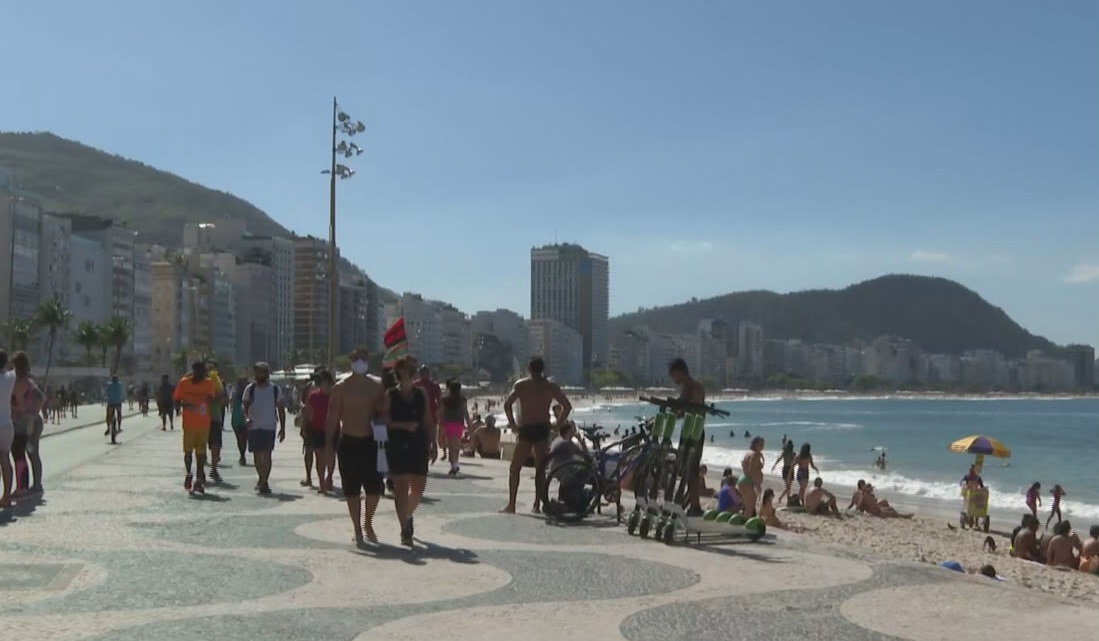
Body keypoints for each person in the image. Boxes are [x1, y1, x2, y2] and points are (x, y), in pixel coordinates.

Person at [328, 348, 387, 544]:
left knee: (374, 489)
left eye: (363, 358)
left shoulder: (377, 386)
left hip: (372, 442)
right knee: (351, 489)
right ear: (350, 361)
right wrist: (329, 443)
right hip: (349, 442)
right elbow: (333, 417)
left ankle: (368, 522)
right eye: (356, 359)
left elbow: (385, 412)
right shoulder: (341, 387)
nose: (359, 361)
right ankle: (357, 528)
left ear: (368, 361)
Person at [501, 355, 572, 515]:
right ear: (543, 369)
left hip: (526, 428)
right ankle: (536, 505)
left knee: (515, 468)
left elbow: (507, 405)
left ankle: (512, 505)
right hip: (542, 428)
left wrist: (513, 424)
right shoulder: (550, 386)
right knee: (540, 469)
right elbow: (567, 406)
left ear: (528, 368)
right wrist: (557, 425)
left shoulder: (521, 385)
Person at [385, 356, 438, 546]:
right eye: (403, 370)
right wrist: (404, 425)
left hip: (418, 442)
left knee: (418, 487)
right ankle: (404, 530)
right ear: (398, 373)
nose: (406, 373)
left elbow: (428, 419)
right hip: (397, 443)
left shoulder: (421, 393)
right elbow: (385, 422)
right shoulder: (390, 394)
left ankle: (407, 515)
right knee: (401, 487)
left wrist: (434, 442)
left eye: (410, 370)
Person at [667, 357, 706, 515]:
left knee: (693, 470)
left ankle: (695, 505)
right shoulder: (685, 387)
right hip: (686, 431)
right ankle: (683, 501)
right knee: (684, 468)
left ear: (680, 372)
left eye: (673, 375)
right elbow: (681, 411)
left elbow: (693, 409)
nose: (673, 378)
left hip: (695, 432)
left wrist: (679, 410)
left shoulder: (695, 387)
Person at [242, 362, 286, 495]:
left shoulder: (275, 390)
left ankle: (264, 481)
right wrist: (246, 418)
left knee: (266, 455)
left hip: (269, 426)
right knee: (257, 456)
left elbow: (281, 409)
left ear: (266, 373)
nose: (258, 374)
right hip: (254, 426)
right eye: (256, 372)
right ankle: (261, 478)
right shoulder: (250, 389)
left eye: (261, 372)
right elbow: (244, 406)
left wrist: (282, 428)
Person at [173, 361, 217, 495]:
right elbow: (176, 399)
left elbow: (212, 398)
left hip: (204, 424)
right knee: (188, 452)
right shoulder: (184, 383)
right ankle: (189, 474)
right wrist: (185, 406)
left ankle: (198, 478)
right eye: (198, 370)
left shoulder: (209, 383)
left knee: (201, 453)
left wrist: (208, 401)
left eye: (202, 371)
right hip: (189, 425)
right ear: (193, 370)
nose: (200, 373)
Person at [11, 352, 44, 496]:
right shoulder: (30, 382)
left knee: (24, 454)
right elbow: (42, 398)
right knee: (31, 453)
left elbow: (20, 404)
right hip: (33, 421)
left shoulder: (20, 382)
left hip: (27, 423)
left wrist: (18, 410)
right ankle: (35, 485)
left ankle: (28, 486)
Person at [302, 371, 334, 493]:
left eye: (328, 383)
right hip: (317, 429)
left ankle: (329, 477)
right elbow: (308, 413)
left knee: (330, 456)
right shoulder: (314, 396)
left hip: (333, 429)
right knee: (320, 457)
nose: (325, 386)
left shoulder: (335, 395)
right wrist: (304, 427)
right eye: (323, 383)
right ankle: (321, 482)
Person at [438, 379, 471, 476]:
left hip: (448, 423)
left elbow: (441, 413)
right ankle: (455, 463)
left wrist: (440, 424)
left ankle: (453, 464)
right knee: (456, 445)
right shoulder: (462, 399)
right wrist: (469, 425)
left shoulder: (444, 399)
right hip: (459, 424)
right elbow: (466, 413)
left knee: (451, 445)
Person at [413, 364, 442, 460]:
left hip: (418, 415)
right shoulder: (434, 386)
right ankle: (427, 456)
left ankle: (423, 456)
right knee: (430, 438)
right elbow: (439, 402)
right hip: (431, 416)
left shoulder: (415, 385)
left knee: (419, 437)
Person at [206, 363, 227, 483]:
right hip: (205, 418)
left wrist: (216, 396)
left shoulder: (218, 382)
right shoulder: (200, 382)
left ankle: (213, 468)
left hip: (213, 417)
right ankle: (208, 468)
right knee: (210, 445)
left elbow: (223, 399)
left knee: (215, 445)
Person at [0, 350, 16, 509]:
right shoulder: (10, 378)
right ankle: (6, 496)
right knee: (5, 459)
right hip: (6, 425)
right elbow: (13, 367)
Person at [738, 436, 765, 517]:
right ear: (756, 445)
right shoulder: (755, 455)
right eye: (761, 444)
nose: (762, 446)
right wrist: (757, 485)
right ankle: (744, 528)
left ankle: (743, 524)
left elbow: (744, 465)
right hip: (749, 482)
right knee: (750, 509)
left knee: (747, 508)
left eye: (763, 445)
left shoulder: (749, 453)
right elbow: (751, 470)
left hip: (745, 481)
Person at [230, 378, 249, 466]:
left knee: (240, 438)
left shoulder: (234, 392)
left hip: (237, 417)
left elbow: (231, 402)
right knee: (243, 438)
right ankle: (242, 455)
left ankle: (242, 455)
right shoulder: (248, 393)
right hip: (242, 417)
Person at [772, 440, 796, 505]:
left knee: (788, 487)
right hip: (787, 469)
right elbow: (779, 459)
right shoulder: (786, 453)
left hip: (789, 469)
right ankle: (785, 499)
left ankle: (785, 499)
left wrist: (774, 466)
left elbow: (795, 461)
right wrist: (774, 465)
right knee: (788, 487)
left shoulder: (790, 453)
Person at [105, 375, 125, 442]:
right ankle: (119, 427)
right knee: (119, 414)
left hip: (110, 403)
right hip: (118, 403)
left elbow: (107, 393)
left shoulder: (108, 385)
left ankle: (108, 428)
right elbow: (122, 393)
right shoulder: (120, 384)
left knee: (108, 415)